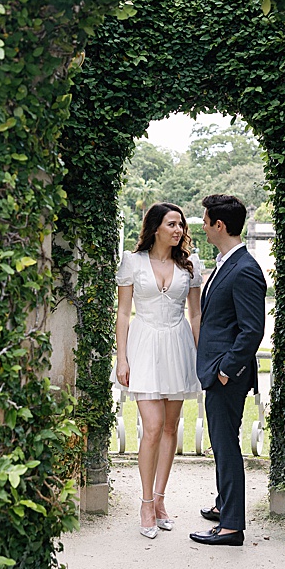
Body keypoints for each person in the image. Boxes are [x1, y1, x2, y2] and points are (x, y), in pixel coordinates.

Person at [115, 202, 204, 539]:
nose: (178, 230)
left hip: (178, 345)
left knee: (170, 428)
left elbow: (195, 315)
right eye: (172, 224)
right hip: (144, 345)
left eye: (181, 224)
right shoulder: (133, 262)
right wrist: (122, 358)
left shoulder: (191, 264)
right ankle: (145, 502)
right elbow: (123, 314)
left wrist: (201, 355)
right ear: (155, 227)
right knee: (151, 427)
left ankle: (162, 500)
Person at [190, 193, 266, 548]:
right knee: (222, 444)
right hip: (218, 371)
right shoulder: (226, 262)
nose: (202, 227)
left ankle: (232, 527)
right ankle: (224, 506)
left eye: (205, 221)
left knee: (225, 445)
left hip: (227, 374)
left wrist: (226, 369)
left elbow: (252, 329)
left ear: (219, 225)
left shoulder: (246, 269)